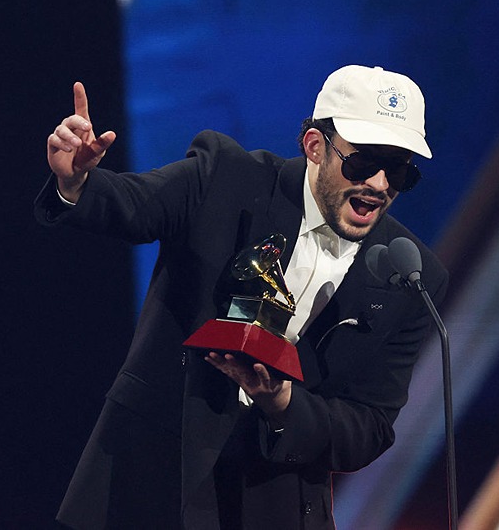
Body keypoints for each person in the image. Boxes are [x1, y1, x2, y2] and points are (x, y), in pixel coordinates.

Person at [37, 64, 448, 530]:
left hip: (272, 500)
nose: (378, 184)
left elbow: (369, 427)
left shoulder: (412, 278)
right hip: (150, 476)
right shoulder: (227, 179)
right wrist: (77, 184)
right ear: (315, 146)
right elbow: (136, 203)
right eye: (361, 163)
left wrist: (284, 404)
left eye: (397, 171)